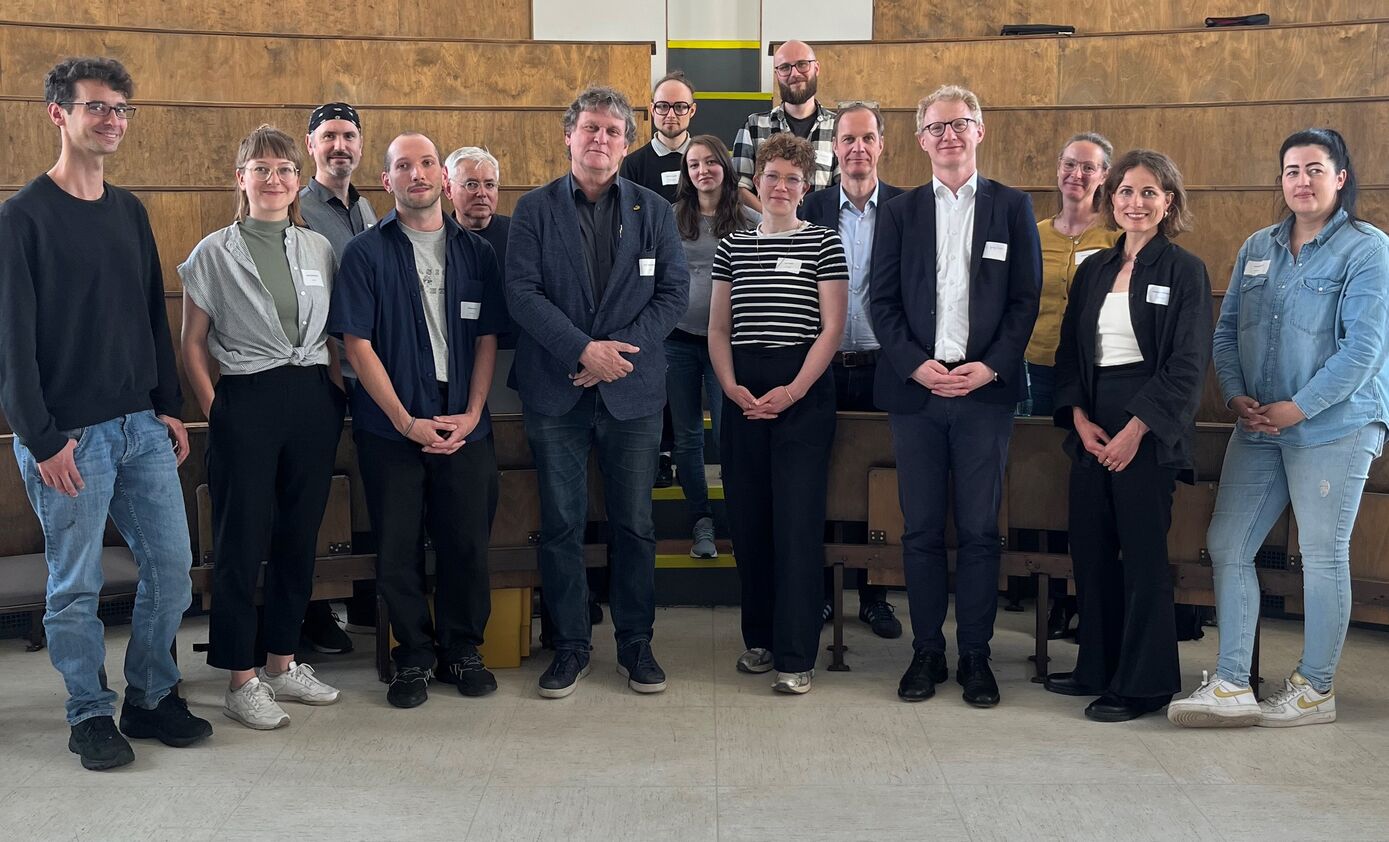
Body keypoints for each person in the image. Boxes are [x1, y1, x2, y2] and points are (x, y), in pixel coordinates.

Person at [0, 56, 212, 770]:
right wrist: (41, 437)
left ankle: (150, 696)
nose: (112, 120)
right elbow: (11, 347)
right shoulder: (20, 218)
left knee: (174, 571)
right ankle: (88, 711)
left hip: (139, 428)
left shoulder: (129, 211)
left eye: (121, 109)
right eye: (97, 107)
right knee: (76, 585)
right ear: (58, 113)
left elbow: (151, 315)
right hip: (69, 438)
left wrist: (165, 406)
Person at [1169, 128, 1389, 729]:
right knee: (1228, 544)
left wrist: (1299, 406)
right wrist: (1239, 395)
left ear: (1340, 178)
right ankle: (1234, 683)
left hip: (1335, 425)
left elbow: (1364, 349)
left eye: (1315, 169)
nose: (1302, 181)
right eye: (1292, 170)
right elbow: (1226, 328)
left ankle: (1315, 689)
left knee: (1321, 554)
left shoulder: (1367, 249)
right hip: (1260, 423)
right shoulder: (1257, 246)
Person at [507, 86, 688, 699]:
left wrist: (615, 357)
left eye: (613, 131)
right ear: (569, 135)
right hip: (556, 390)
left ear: (627, 142)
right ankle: (571, 644)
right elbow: (523, 294)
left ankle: (636, 642)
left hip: (632, 394)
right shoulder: (533, 210)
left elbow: (671, 296)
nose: (600, 139)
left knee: (634, 523)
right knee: (561, 523)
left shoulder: (655, 212)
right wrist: (583, 351)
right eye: (590, 128)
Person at [869, 84, 1041, 707]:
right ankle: (925, 653)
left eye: (960, 123)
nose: (949, 135)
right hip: (916, 393)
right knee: (918, 532)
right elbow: (880, 303)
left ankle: (975, 655)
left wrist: (991, 368)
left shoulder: (1013, 207)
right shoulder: (899, 211)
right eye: (937, 127)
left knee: (977, 532)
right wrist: (916, 366)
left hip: (983, 395)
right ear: (920, 140)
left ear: (980, 130)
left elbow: (1025, 302)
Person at [329, 131, 507, 708]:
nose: (418, 174)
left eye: (427, 163)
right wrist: (406, 423)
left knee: (465, 544)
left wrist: (474, 413)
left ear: (442, 178)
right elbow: (356, 346)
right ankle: (414, 656)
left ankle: (463, 649)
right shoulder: (364, 252)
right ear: (388, 181)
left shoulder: (476, 252)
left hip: (464, 421)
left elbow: (486, 340)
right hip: (391, 425)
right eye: (404, 166)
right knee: (398, 546)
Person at [180, 124, 347, 729]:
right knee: (240, 540)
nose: (273, 179)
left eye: (283, 169)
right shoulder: (212, 252)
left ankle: (281, 662)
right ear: (241, 178)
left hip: (311, 398)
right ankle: (239, 677)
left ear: (297, 180)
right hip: (244, 399)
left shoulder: (318, 248)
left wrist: (332, 395)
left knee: (298, 535)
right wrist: (215, 406)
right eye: (261, 169)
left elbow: (333, 334)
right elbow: (193, 343)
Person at [1046, 149, 1211, 722]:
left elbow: (1187, 365)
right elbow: (1070, 355)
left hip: (1150, 430)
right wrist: (1080, 419)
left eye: (1149, 193)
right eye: (1125, 192)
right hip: (1093, 426)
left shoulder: (1184, 270)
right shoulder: (1093, 268)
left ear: (1169, 202)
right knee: (1089, 552)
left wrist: (1137, 429)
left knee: (1141, 558)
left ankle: (1144, 685)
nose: (1135, 203)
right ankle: (1098, 665)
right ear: (1109, 199)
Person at [709, 133, 848, 694]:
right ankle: (761, 640)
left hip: (803, 393)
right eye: (772, 177)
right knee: (750, 522)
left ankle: (796, 653)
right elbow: (719, 328)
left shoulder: (824, 242)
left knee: (795, 523)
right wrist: (731, 387)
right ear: (756, 183)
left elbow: (832, 328)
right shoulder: (731, 247)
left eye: (794, 178)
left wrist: (791, 393)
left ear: (806, 185)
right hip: (742, 391)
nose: (782, 187)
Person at [801, 100, 905, 640]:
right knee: (822, 476)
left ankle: (874, 595)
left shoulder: (909, 209)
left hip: (886, 366)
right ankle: (821, 595)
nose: (858, 149)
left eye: (867, 139)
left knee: (876, 485)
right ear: (834, 147)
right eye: (848, 139)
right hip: (822, 367)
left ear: (881, 145)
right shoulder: (811, 206)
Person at [1024, 132, 1119, 641]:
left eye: (1088, 167)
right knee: (1041, 483)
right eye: (1069, 164)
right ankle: (1051, 597)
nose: (1076, 175)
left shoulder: (1115, 237)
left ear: (1104, 176)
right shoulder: (1034, 232)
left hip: (1094, 376)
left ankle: (1087, 593)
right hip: (1036, 370)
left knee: (1085, 486)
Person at [298, 101, 378, 649]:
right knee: (314, 495)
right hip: (321, 372)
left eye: (348, 136)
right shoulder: (298, 207)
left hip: (369, 371)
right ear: (311, 146)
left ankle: (361, 600)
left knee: (366, 487)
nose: (340, 146)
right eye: (329, 137)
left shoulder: (367, 208)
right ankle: (313, 610)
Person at [670, 135, 759, 560]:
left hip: (728, 342)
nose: (702, 170)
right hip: (678, 342)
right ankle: (700, 520)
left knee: (730, 434)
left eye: (710, 162)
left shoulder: (748, 218)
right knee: (687, 438)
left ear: (724, 166)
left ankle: (740, 520)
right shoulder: (671, 218)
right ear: (687, 175)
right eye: (693, 165)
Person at [445, 146, 519, 405]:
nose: (482, 193)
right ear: (448, 188)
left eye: (490, 184)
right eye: (471, 184)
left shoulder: (520, 235)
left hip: (512, 357)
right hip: (454, 359)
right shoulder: (434, 238)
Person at [732, 40, 836, 212]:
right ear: (777, 74)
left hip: (818, 233)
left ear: (816, 68)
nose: (794, 74)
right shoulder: (753, 126)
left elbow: (842, 188)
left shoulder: (838, 127)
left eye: (802, 64)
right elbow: (739, 187)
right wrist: (773, 219)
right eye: (785, 67)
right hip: (768, 233)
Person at [621, 71, 698, 204]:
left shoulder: (707, 162)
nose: (671, 115)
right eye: (663, 106)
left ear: (691, 111)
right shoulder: (633, 165)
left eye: (679, 107)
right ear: (652, 110)